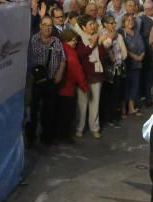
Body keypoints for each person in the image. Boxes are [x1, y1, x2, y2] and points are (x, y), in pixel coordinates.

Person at [26, 15, 65, 147]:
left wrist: (60, 72)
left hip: (51, 82)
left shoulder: (57, 41)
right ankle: (30, 138)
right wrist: (30, 74)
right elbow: (27, 59)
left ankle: (46, 137)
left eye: (50, 25)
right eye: (45, 25)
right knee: (33, 111)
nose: (48, 28)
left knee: (49, 111)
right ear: (40, 26)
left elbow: (63, 59)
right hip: (36, 83)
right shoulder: (32, 41)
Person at [74, 15, 104, 139]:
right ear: (83, 27)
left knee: (95, 103)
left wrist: (100, 45)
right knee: (82, 103)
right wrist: (91, 46)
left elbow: (103, 56)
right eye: (90, 24)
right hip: (84, 76)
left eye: (94, 24)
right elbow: (79, 55)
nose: (93, 26)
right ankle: (80, 127)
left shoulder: (99, 37)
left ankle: (94, 127)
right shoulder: (79, 39)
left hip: (96, 75)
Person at [57, 28, 88, 143]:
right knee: (67, 114)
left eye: (75, 40)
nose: (75, 42)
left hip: (61, 88)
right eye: (72, 40)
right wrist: (84, 87)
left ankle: (59, 134)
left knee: (61, 114)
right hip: (68, 88)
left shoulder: (62, 48)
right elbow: (77, 71)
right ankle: (64, 136)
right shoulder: (71, 53)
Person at [121, 13, 146, 115]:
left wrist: (141, 56)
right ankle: (123, 109)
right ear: (123, 22)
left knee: (135, 86)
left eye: (132, 20)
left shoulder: (136, 33)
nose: (130, 22)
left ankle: (131, 108)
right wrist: (134, 56)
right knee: (126, 86)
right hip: (127, 64)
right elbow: (123, 48)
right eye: (128, 20)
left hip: (138, 64)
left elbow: (143, 47)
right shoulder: (122, 33)